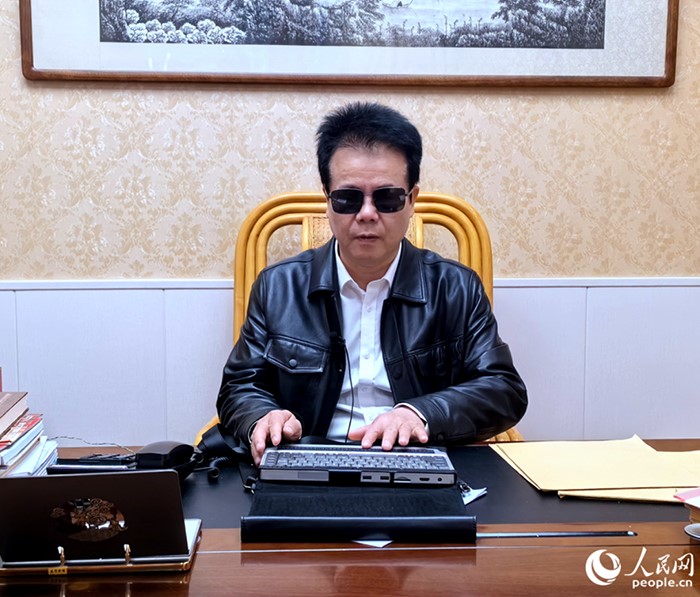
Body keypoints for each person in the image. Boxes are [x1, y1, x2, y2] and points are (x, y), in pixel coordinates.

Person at [217, 102, 527, 465]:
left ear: (412, 201)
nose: (367, 213)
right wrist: (262, 418)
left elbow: (503, 390)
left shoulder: (456, 288)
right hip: (308, 461)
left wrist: (421, 414)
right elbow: (240, 386)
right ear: (327, 200)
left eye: (387, 198)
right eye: (348, 198)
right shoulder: (278, 287)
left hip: (417, 460)